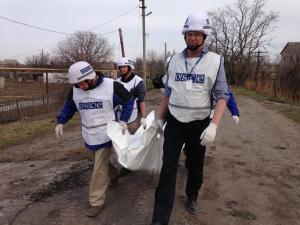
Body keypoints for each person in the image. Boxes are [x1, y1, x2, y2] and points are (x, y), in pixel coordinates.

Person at [150, 13, 229, 225]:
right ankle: (159, 219)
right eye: (189, 34)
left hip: (199, 123)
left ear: (204, 37)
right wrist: (160, 119)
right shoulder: (173, 61)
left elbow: (222, 95)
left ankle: (192, 194)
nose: (193, 38)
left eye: (197, 34)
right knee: (167, 168)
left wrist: (214, 125)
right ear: (185, 36)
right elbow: (167, 91)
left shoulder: (215, 61)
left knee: (195, 165)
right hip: (175, 122)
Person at [54, 61, 134, 217]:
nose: (80, 87)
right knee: (101, 165)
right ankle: (114, 174)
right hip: (89, 136)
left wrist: (124, 120)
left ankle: (96, 202)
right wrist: (61, 121)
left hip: (106, 134)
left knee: (98, 170)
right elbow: (69, 107)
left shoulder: (111, 87)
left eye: (82, 83)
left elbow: (129, 101)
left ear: (91, 77)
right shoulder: (75, 90)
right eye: (77, 85)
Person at [115, 56, 147, 133]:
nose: (122, 69)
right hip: (121, 118)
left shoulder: (138, 81)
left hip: (134, 118)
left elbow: (141, 100)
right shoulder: (117, 82)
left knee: (135, 141)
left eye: (124, 67)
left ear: (130, 68)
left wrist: (143, 116)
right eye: (120, 67)